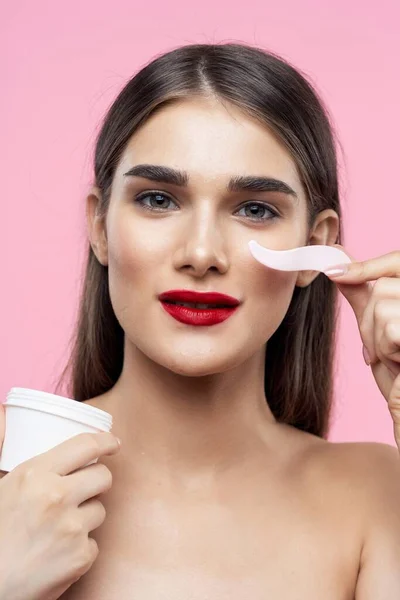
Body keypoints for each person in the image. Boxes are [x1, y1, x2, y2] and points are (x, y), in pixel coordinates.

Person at [1, 42, 400, 599]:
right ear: (99, 227)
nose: (202, 251)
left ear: (316, 246)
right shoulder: (8, 472)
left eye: (255, 209)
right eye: (159, 199)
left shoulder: (378, 495)